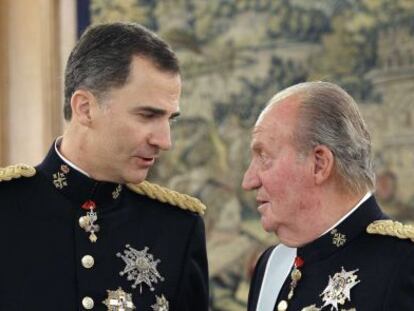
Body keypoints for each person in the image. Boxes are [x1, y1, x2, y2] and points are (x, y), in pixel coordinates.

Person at [0, 22, 208, 311]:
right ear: (85, 108)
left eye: (170, 119)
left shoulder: (177, 228)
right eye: (147, 115)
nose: (165, 140)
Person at [242, 81, 414, 311]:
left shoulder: (404, 265)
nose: (248, 181)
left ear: (319, 164)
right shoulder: (272, 265)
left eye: (264, 157)